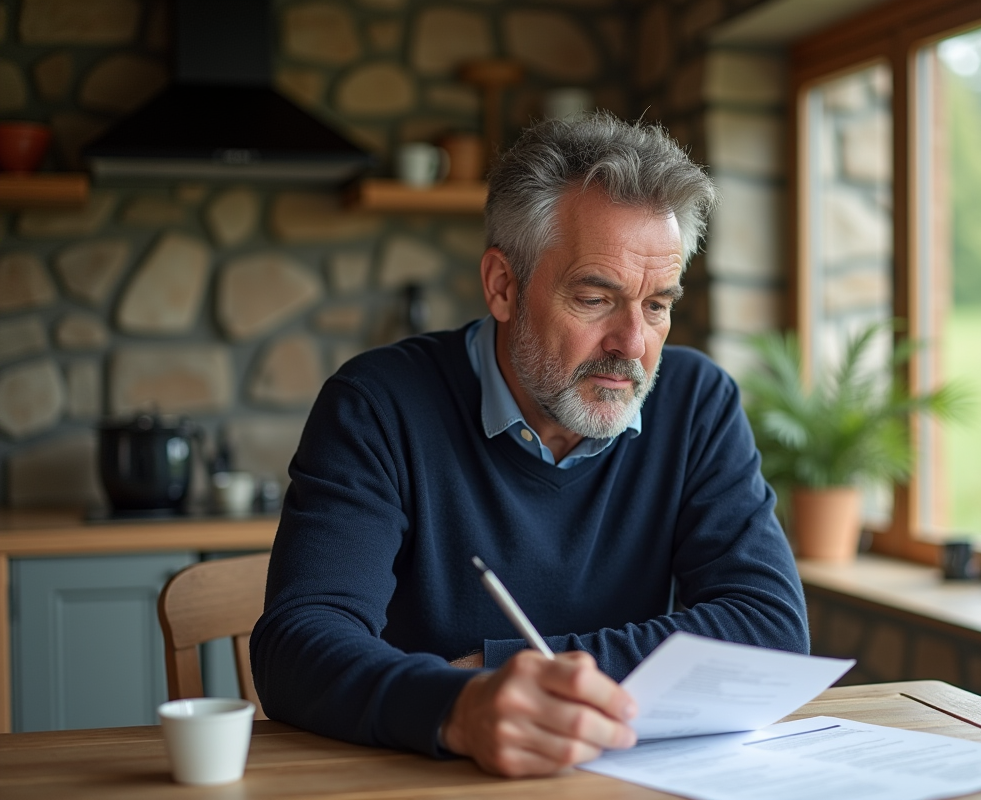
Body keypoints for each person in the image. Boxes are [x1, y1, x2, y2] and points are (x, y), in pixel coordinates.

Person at [250, 111, 809, 778]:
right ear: (503, 286)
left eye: (657, 305)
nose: (632, 346)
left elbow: (770, 632)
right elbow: (296, 646)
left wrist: (497, 673)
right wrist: (459, 709)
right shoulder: (378, 403)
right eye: (596, 299)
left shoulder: (696, 402)